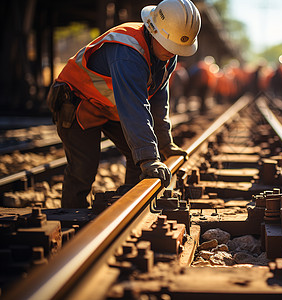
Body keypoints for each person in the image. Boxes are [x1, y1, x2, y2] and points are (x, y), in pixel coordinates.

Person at [46, 0, 201, 208]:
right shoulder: (128, 52)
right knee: (83, 169)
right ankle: (70, 218)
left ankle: (129, 207)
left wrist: (164, 144)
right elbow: (134, 107)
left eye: (179, 48)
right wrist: (149, 158)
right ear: (153, 31)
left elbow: (157, 98)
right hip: (78, 103)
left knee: (138, 157)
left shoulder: (166, 54)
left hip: (110, 107)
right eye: (170, 46)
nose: (173, 52)